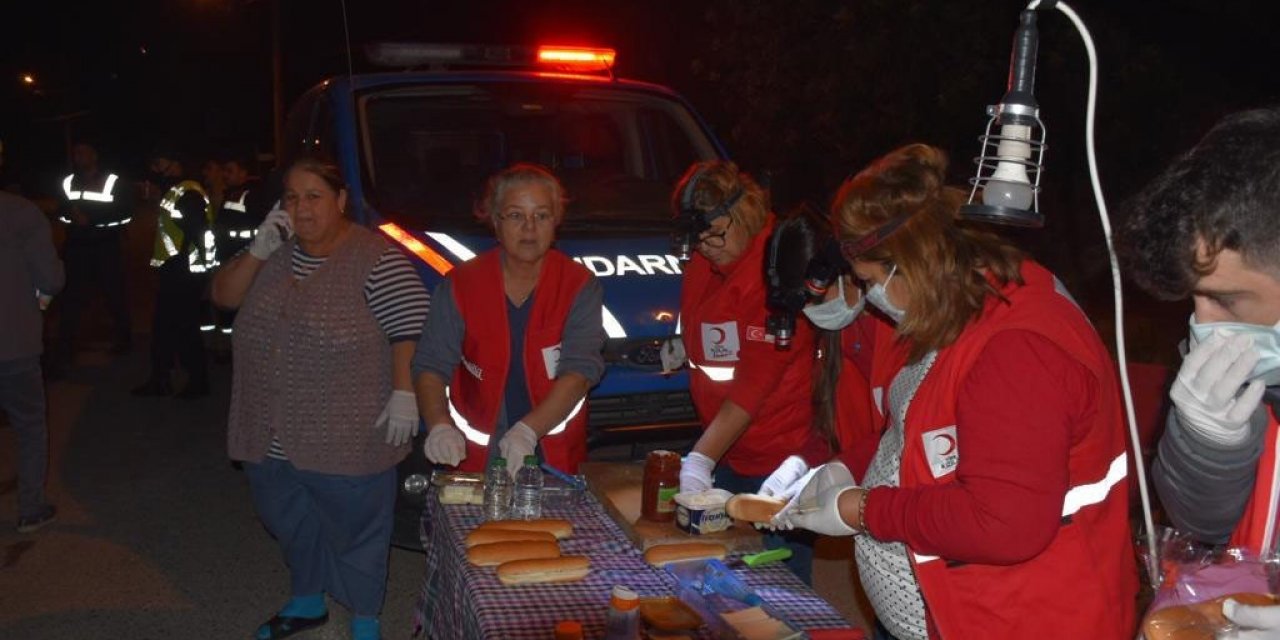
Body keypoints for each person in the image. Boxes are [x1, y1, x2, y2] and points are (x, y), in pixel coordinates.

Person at [768, 144, 1136, 639]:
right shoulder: (967, 305)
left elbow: (1005, 524)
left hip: (1033, 617)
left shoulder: (1015, 349)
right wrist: (846, 466)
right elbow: (923, 430)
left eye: (871, 281)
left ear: (909, 261)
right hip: (984, 609)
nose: (872, 300)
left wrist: (863, 508)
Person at [211, 155, 428, 640]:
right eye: (291, 197)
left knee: (358, 533)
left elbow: (410, 329)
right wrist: (257, 250)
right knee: (288, 520)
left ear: (341, 200)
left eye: (314, 196)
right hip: (266, 431)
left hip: (346, 435)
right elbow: (223, 297)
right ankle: (308, 600)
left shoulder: (377, 258)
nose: (302, 208)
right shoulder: (274, 255)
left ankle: (366, 616)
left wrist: (403, 392)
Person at [1119, 106, 1280, 638]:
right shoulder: (1246, 368)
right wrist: (1206, 443)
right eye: (1195, 298)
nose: (1201, 324)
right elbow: (1201, 526)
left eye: (1226, 300)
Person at [672, 161, 833, 583]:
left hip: (779, 456)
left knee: (781, 580)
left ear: (744, 214)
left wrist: (699, 460)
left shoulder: (779, 270)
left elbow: (753, 384)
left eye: (715, 233)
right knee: (723, 571)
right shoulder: (706, 262)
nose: (706, 245)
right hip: (727, 447)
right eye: (697, 237)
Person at [415, 163, 604, 477]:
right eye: (516, 215)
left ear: (556, 220)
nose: (529, 228)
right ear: (495, 220)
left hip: (552, 458)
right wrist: (438, 425)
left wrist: (528, 431)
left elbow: (581, 371)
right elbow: (431, 364)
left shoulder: (579, 284)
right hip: (471, 459)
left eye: (541, 215)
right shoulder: (462, 285)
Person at [0, 143, 65, 533]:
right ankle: (30, 507)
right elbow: (51, 278)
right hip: (14, 341)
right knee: (28, 424)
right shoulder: (21, 213)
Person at [132, 151, 213, 398]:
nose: (154, 168)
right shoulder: (176, 190)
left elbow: (200, 232)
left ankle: (196, 381)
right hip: (175, 270)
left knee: (183, 328)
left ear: (175, 163)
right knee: (165, 327)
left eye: (159, 162)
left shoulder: (187, 192)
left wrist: (198, 271)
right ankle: (161, 378)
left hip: (183, 273)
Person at [52, 140, 133, 369]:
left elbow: (125, 214)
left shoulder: (112, 181)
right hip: (77, 247)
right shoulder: (68, 182)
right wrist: (72, 219)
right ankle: (66, 345)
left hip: (105, 246)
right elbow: (61, 212)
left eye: (84, 152)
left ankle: (123, 340)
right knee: (71, 296)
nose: (79, 156)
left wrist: (93, 220)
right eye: (76, 153)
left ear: (95, 155)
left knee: (114, 293)